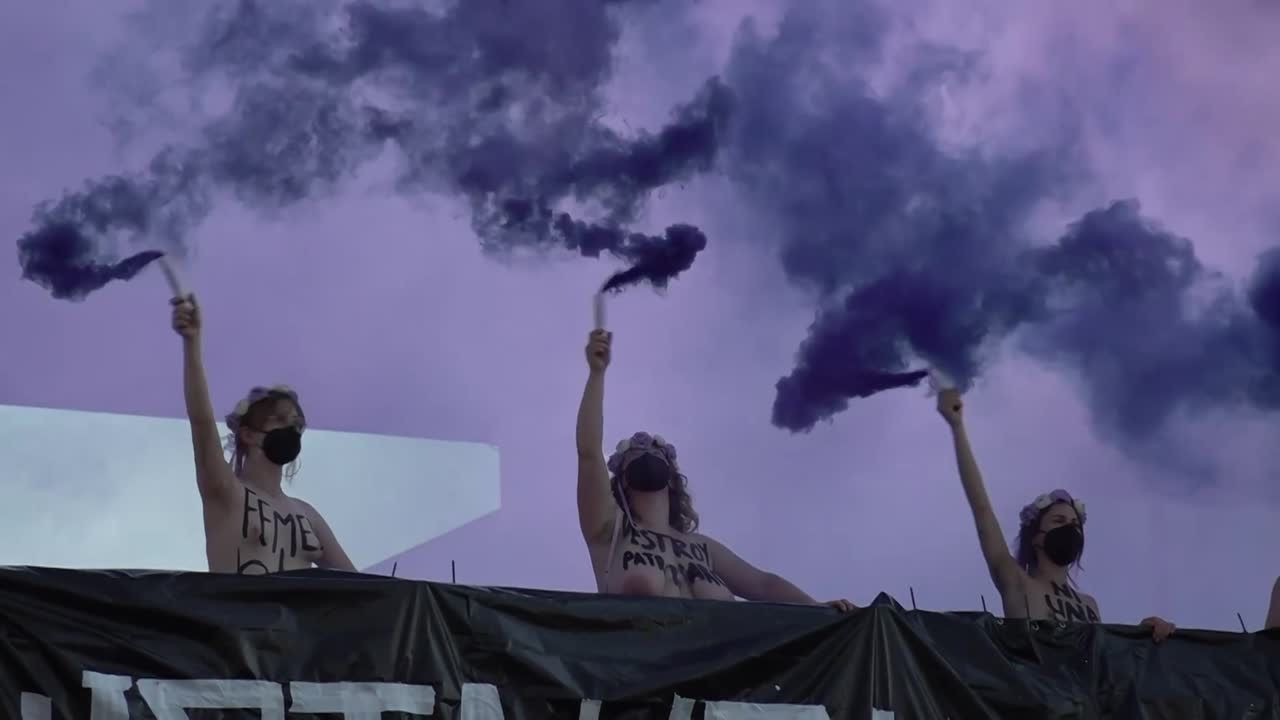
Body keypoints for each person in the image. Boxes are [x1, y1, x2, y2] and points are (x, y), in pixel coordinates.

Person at [574, 329, 854, 610]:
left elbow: (761, 584)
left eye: (656, 448)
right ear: (621, 478)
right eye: (635, 448)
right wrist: (597, 374)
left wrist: (815, 606)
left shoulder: (703, 548)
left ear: (672, 477)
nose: (646, 448)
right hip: (640, 651)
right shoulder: (611, 530)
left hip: (730, 654)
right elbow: (588, 453)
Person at [936, 387, 1174, 641]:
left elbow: (1103, 661)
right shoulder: (1017, 582)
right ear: (1036, 536)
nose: (1070, 528)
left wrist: (1144, 635)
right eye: (1059, 521)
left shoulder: (1090, 605)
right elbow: (982, 508)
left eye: (1074, 523)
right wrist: (957, 426)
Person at [171, 293, 356, 575]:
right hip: (236, 619)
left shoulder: (308, 515)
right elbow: (201, 422)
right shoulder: (226, 492)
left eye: (296, 424)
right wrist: (192, 343)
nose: (291, 430)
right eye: (280, 420)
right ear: (248, 434)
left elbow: (360, 587)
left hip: (299, 620)